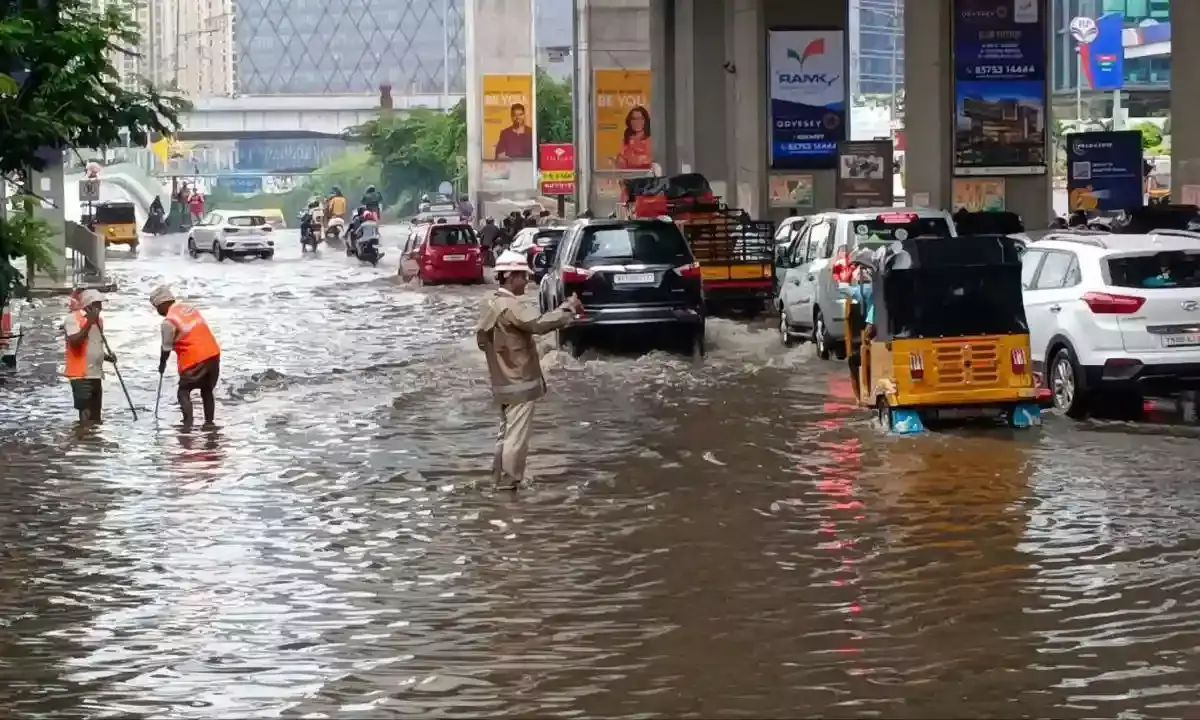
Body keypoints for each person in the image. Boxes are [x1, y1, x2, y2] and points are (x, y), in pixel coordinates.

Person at [475, 250, 583, 490]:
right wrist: (568, 309)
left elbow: (482, 340)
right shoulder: (510, 306)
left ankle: (498, 479)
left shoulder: (490, 304)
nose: (527, 281)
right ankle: (509, 483)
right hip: (519, 382)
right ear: (511, 276)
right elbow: (539, 324)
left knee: (505, 434)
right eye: (523, 276)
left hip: (502, 381)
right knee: (516, 437)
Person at [151, 286, 222, 428]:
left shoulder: (168, 322)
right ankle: (209, 423)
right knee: (207, 391)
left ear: (162, 304)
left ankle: (188, 423)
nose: (157, 311)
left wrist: (162, 364)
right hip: (213, 353)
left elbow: (166, 347)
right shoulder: (188, 308)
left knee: (183, 391)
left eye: (156, 307)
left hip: (195, 359)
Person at [63, 289, 114, 425]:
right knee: (85, 410)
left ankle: (93, 441)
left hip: (96, 373)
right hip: (81, 374)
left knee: (96, 411)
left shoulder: (99, 321)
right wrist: (88, 323)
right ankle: (84, 438)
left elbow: (94, 347)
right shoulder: (72, 319)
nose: (100, 308)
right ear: (88, 305)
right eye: (97, 304)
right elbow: (75, 341)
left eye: (100, 304)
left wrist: (108, 357)